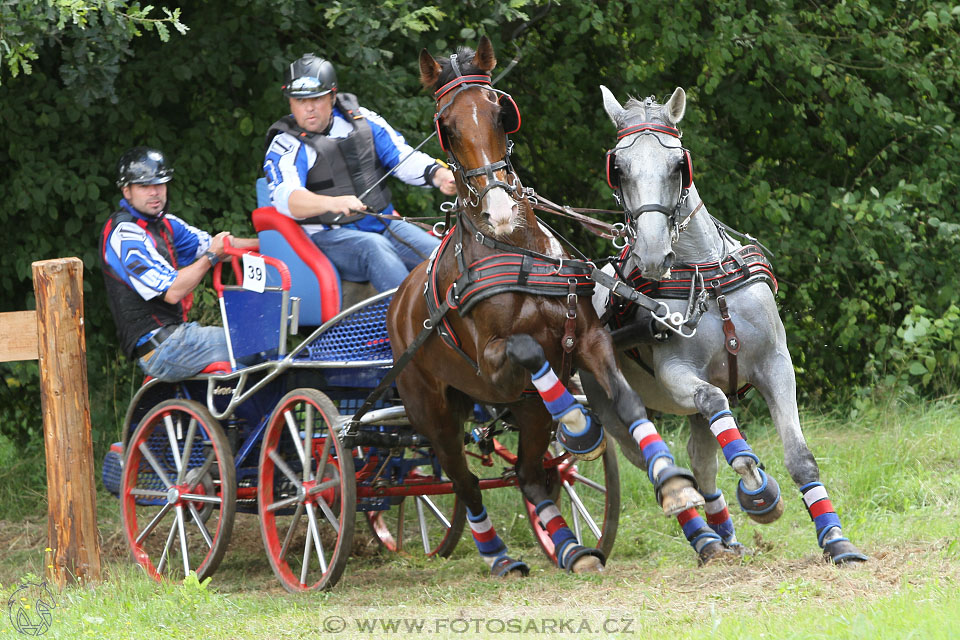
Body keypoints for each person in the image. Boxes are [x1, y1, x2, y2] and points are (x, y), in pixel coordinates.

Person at [263, 53, 458, 292]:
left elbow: (400, 156)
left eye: (317, 98)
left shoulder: (362, 119)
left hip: (384, 224)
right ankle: (410, 315)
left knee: (444, 256)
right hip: (330, 239)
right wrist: (332, 203)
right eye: (300, 101)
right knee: (375, 248)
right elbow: (287, 198)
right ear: (290, 102)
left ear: (332, 96)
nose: (309, 108)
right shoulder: (286, 144)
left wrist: (439, 174)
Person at [99, 146, 258, 382]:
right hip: (162, 347)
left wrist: (275, 242)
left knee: (261, 343)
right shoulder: (125, 235)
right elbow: (173, 291)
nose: (155, 192)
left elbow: (222, 247)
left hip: (179, 336)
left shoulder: (165, 224)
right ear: (127, 191)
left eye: (160, 184)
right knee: (253, 344)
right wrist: (210, 257)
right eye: (144, 186)